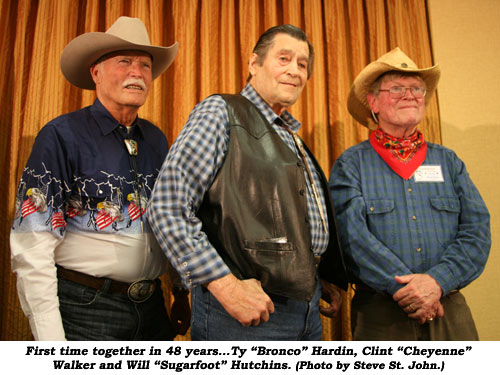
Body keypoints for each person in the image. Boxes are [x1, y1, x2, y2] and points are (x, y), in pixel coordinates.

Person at [147, 24, 348, 340]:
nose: (295, 71)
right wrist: (226, 287)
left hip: (305, 307)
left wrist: (319, 275)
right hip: (244, 313)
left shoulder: (290, 136)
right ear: (254, 64)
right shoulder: (221, 112)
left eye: (303, 64)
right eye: (284, 58)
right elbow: (167, 208)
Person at [10, 16, 190, 341]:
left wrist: (180, 291)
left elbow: (171, 218)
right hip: (86, 310)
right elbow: (31, 243)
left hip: (152, 306)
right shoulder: (61, 136)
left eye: (145, 65)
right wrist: (52, 342)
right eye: (124, 62)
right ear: (96, 72)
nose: (137, 72)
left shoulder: (156, 139)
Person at [329, 47, 491, 340]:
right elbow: (350, 238)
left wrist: (437, 283)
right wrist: (410, 290)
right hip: (380, 314)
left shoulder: (449, 162)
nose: (410, 95)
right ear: (373, 102)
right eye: (397, 88)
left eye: (417, 88)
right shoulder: (351, 164)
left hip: (448, 307)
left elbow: (477, 231)